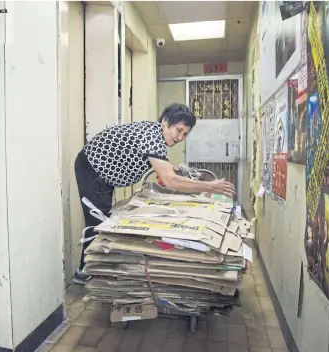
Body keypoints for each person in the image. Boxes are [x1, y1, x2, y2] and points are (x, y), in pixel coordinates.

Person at [73, 103, 236, 284]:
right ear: (165, 122)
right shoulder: (152, 137)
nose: (180, 137)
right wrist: (211, 187)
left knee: (103, 217)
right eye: (178, 130)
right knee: (97, 222)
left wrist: (176, 173)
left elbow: (165, 170)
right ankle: (84, 272)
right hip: (91, 169)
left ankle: (93, 269)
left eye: (185, 134)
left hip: (104, 174)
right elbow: (169, 181)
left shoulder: (156, 135)